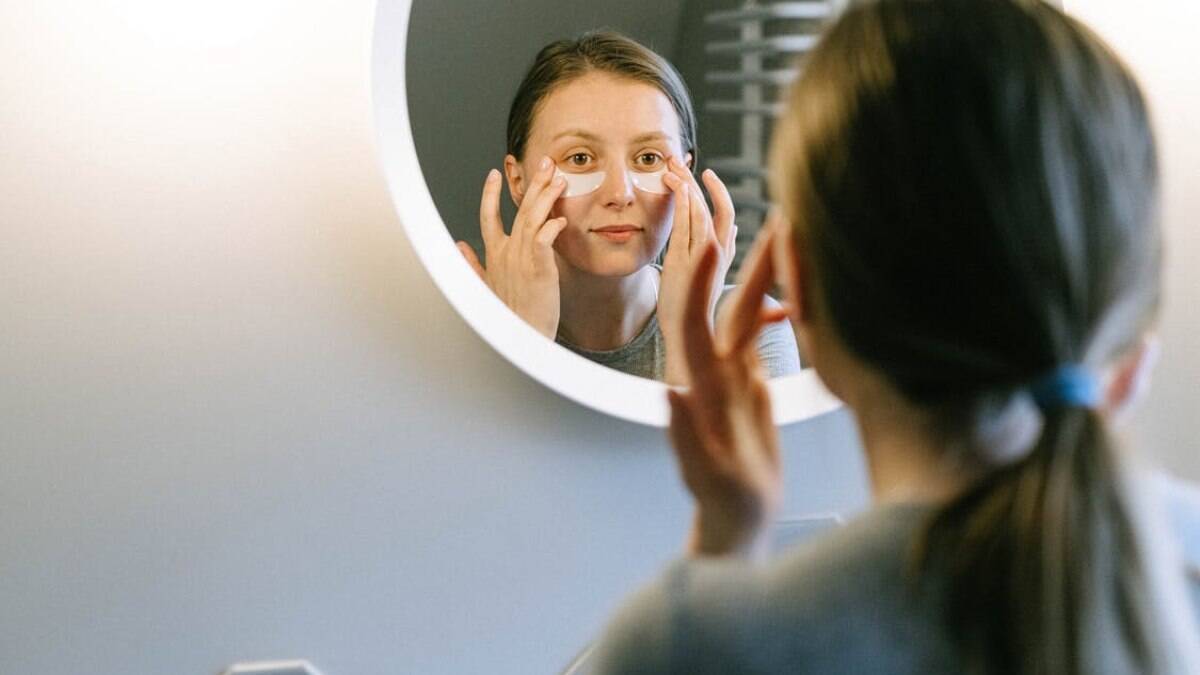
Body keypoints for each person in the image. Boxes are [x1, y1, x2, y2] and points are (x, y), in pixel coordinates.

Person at [590, 0, 1200, 673]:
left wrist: (723, 558)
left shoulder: (694, 647)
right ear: (1131, 340)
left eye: (648, 156)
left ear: (801, 288)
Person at [455, 31, 802, 384]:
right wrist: (520, 344)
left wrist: (688, 340)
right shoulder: (461, 328)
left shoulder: (751, 331)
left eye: (648, 158)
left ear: (687, 171)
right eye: (580, 158)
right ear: (518, 181)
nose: (620, 193)